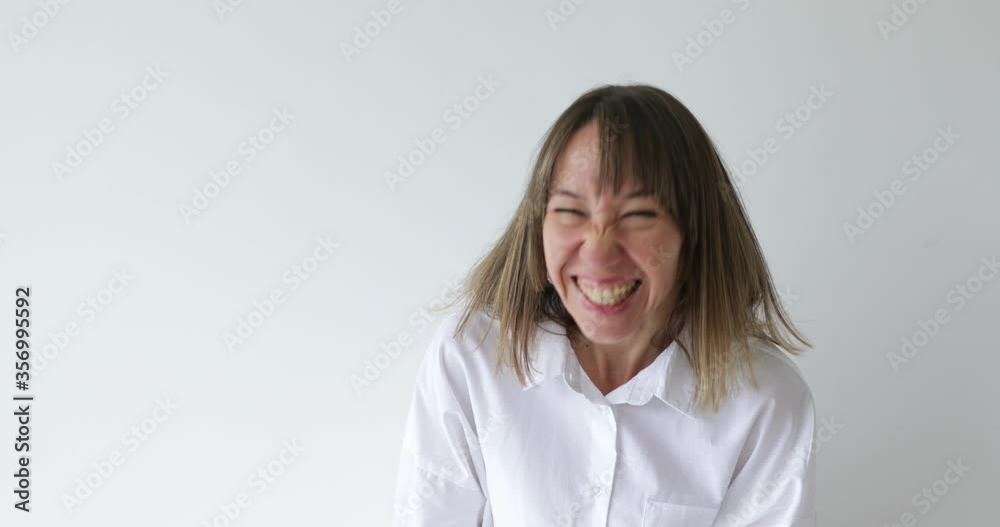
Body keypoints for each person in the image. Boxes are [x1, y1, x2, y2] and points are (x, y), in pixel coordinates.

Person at [392, 84, 817, 526]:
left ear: (694, 234)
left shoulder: (766, 400)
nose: (598, 252)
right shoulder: (472, 356)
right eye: (571, 212)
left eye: (637, 215)